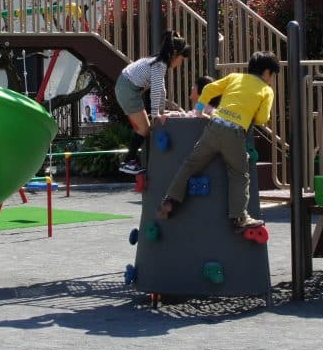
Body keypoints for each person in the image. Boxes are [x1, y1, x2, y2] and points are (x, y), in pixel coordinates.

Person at [157, 52, 280, 232]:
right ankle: (239, 217)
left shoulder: (234, 77)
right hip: (235, 133)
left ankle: (170, 198)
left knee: (190, 164)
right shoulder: (266, 90)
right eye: (272, 75)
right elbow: (261, 119)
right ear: (267, 72)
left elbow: (207, 90)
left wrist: (199, 111)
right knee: (239, 174)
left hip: (213, 128)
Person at [115, 30, 190, 175]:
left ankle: (131, 160)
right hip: (128, 90)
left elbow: (161, 90)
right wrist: (155, 114)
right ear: (174, 54)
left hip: (126, 87)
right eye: (181, 58)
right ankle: (127, 162)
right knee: (144, 129)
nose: (181, 63)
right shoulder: (159, 65)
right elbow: (155, 91)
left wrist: (161, 111)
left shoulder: (157, 62)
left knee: (144, 128)